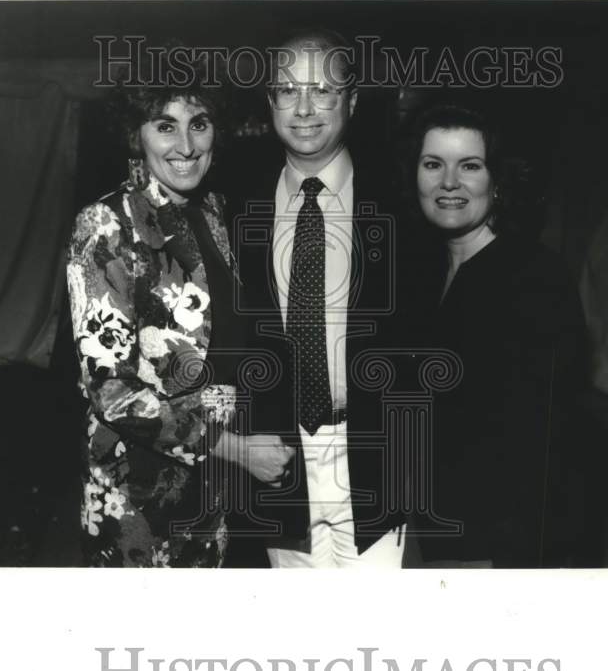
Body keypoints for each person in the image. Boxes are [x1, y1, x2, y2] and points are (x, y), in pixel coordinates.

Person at [65, 66, 294, 567]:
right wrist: (237, 450)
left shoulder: (214, 212)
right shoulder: (106, 225)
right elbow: (111, 391)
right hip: (138, 495)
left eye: (200, 123)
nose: (186, 145)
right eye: (165, 125)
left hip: (213, 493)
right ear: (136, 136)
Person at [225, 30, 406, 568]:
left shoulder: (403, 203)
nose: (304, 108)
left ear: (351, 101)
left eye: (323, 90)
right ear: (270, 103)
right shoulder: (233, 206)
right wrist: (231, 441)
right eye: (287, 90)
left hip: (371, 455)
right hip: (278, 458)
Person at [399, 103, 587, 568]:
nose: (448, 183)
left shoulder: (536, 278)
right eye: (433, 164)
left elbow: (542, 443)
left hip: (490, 537)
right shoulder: (420, 268)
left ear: (497, 180)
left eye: (470, 166)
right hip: (424, 519)